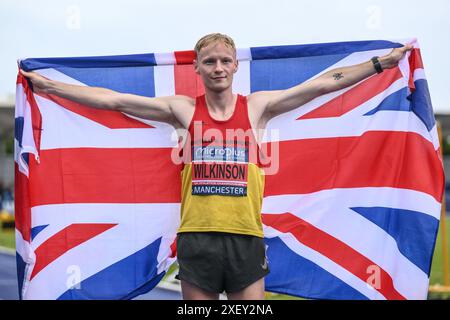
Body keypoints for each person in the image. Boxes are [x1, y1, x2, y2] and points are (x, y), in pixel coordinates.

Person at [21, 33, 413, 300]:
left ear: (235, 66)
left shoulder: (256, 107)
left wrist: (382, 63)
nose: (218, 67)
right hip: (198, 237)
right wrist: (52, 87)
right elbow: (113, 100)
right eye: (209, 61)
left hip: (246, 237)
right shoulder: (182, 110)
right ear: (197, 67)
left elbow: (326, 83)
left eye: (225, 60)